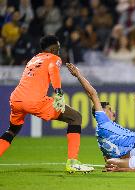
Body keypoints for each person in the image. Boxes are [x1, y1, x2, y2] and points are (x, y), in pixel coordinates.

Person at [0, 35, 94, 173]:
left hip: (16, 99)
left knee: (12, 130)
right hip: (34, 101)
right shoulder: (54, 58)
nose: (59, 51)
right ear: (53, 48)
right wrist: (59, 93)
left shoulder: (33, 59)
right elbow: (53, 71)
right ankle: (73, 162)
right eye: (58, 48)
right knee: (75, 117)